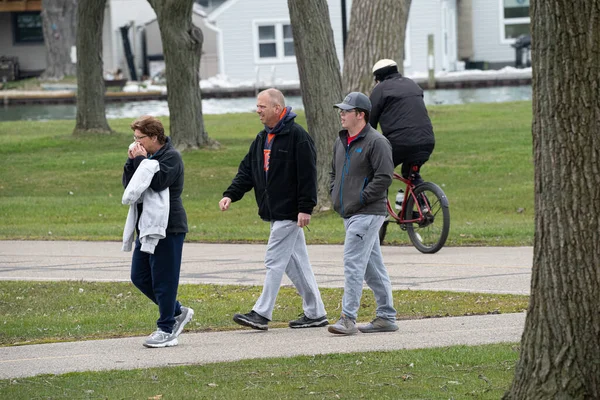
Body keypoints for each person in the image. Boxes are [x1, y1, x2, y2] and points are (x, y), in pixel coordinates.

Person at [219, 88, 328, 331]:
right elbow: (247, 171)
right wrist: (230, 194)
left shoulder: (298, 137)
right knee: (294, 263)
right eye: (257, 106)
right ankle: (316, 313)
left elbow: (308, 175)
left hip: (289, 212)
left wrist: (305, 208)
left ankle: (261, 313)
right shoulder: (262, 138)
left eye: (262, 106)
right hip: (273, 210)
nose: (257, 110)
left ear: (277, 109)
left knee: (273, 260)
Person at [328, 92, 399, 335]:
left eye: (347, 110)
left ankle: (348, 318)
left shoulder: (377, 142)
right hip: (350, 212)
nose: (342, 113)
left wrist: (361, 198)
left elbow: (384, 177)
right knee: (371, 267)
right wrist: (334, 193)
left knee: (352, 262)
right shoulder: (341, 141)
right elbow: (332, 173)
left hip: (368, 212)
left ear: (361, 115)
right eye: (342, 110)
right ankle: (386, 316)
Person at [122, 115, 193, 348]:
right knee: (139, 276)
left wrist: (142, 160)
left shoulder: (171, 156)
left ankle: (166, 328)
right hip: (146, 225)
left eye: (140, 138)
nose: (136, 143)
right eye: (134, 139)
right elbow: (130, 185)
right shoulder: (145, 156)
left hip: (168, 226)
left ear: (154, 137)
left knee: (164, 279)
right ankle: (177, 311)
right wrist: (134, 160)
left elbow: (158, 182)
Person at [369, 59, 435, 185]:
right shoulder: (412, 84)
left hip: (400, 143)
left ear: (377, 77)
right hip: (427, 141)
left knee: (378, 173)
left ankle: (379, 204)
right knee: (411, 174)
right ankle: (423, 203)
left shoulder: (380, 89)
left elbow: (369, 123)